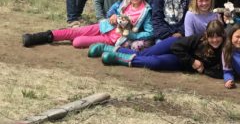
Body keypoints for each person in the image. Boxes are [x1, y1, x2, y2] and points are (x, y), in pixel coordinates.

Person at [22, 0, 153, 49]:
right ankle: (39, 37)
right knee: (75, 32)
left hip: (113, 39)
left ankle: (69, 34)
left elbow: (150, 32)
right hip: (105, 26)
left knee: (77, 42)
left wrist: (132, 35)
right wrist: (112, 16)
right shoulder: (124, 3)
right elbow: (111, 13)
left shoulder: (146, 10)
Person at [89, 20, 225, 78]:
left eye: (218, 37)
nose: (215, 40)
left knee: (155, 62)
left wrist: (204, 70)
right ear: (206, 35)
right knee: (146, 53)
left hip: (179, 61)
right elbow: (176, 47)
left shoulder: (224, 50)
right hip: (176, 45)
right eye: (211, 37)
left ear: (223, 36)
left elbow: (222, 72)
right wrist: (193, 62)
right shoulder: (199, 38)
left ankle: (119, 59)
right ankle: (107, 48)